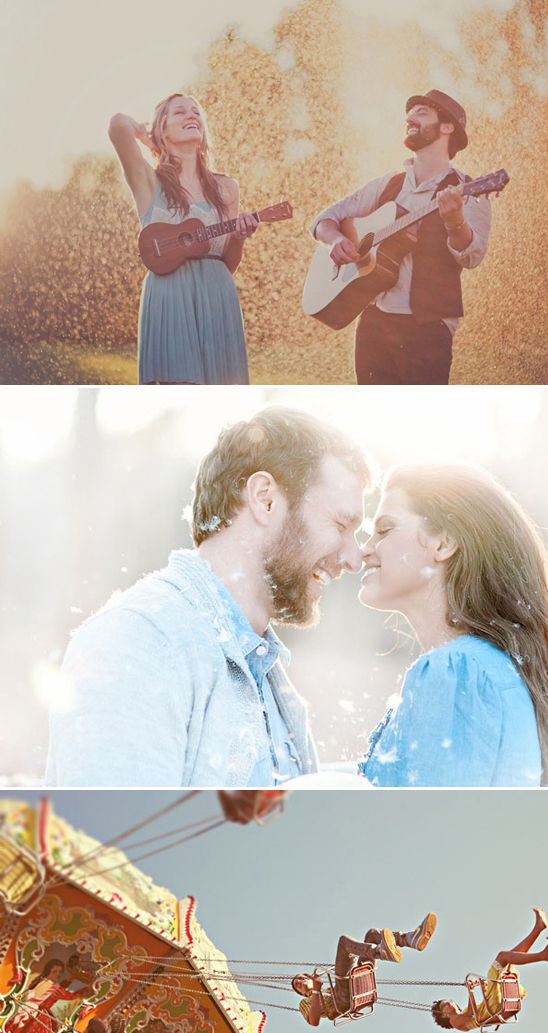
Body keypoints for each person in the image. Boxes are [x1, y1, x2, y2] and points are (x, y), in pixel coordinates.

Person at [44, 408, 368, 788]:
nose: (354, 558)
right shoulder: (138, 642)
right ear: (265, 499)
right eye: (341, 525)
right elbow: (117, 842)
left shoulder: (265, 670)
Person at [357, 465, 548, 787]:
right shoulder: (489, 669)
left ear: (443, 543)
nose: (364, 549)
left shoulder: (456, 672)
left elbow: (430, 828)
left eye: (385, 529)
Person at [312, 91, 492, 388]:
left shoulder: (472, 189)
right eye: (411, 113)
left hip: (428, 328)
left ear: (447, 127)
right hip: (373, 322)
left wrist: (454, 221)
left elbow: (472, 255)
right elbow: (323, 220)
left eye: (422, 112)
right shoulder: (386, 184)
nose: (410, 118)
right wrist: (334, 241)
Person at [109, 91, 256, 386]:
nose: (192, 115)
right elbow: (117, 125)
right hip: (169, 297)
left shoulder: (226, 188)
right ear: (161, 129)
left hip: (217, 297)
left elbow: (227, 263)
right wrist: (146, 138)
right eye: (179, 112)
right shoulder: (148, 181)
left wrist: (238, 238)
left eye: (196, 112)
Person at [292, 918, 436, 1026]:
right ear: (303, 994)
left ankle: (410, 939)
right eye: (297, 985)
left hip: (355, 986)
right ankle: (380, 952)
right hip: (342, 1000)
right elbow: (314, 1021)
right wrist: (316, 991)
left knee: (372, 934)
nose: (299, 982)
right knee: (343, 942)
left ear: (311, 977)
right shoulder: (305, 1002)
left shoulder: (329, 987)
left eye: (301, 979)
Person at [431, 909, 548, 1031]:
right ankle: (542, 954)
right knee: (502, 958)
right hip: (494, 1007)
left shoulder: (461, 1017)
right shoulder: (454, 1022)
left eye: (448, 1001)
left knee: (509, 959)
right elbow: (471, 1013)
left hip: (495, 1004)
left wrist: (483, 988)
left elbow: (473, 1011)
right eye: (445, 1005)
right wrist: (471, 991)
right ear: (444, 1015)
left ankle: (538, 929)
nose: (449, 1003)